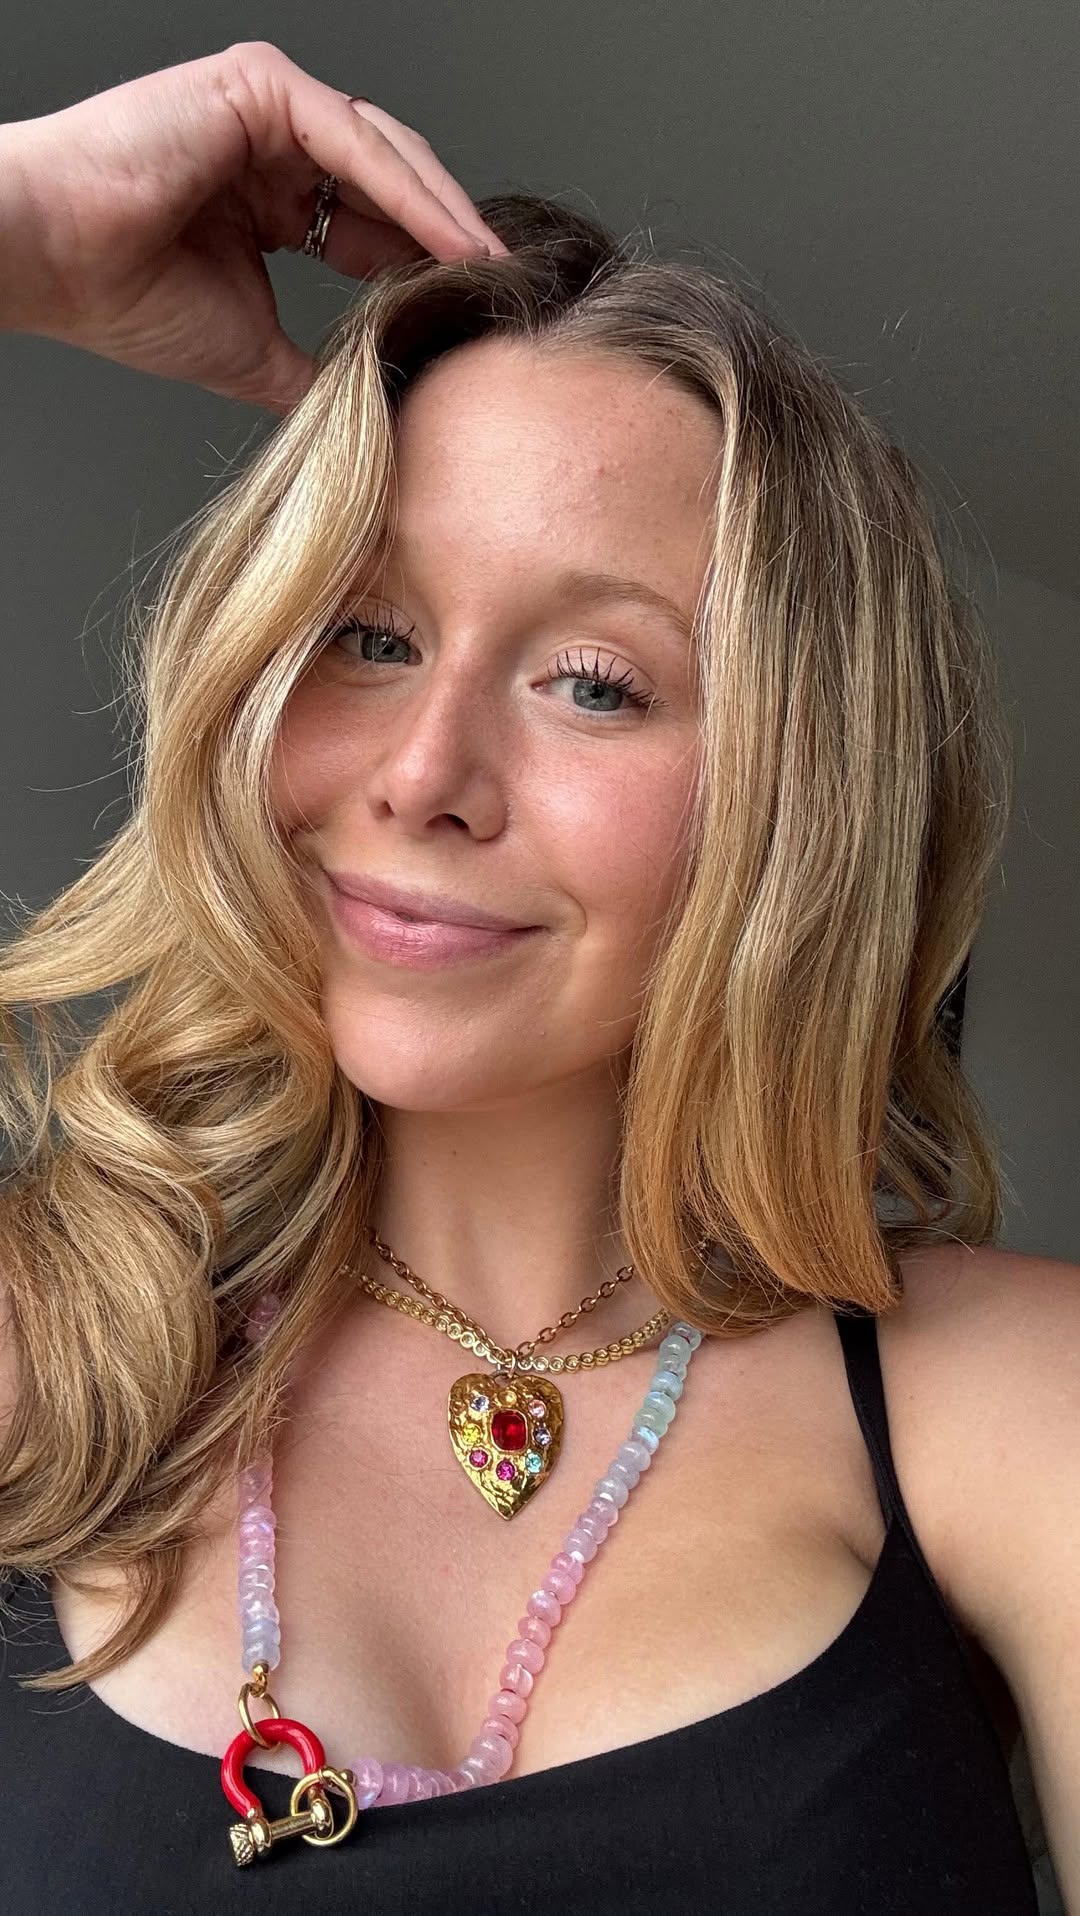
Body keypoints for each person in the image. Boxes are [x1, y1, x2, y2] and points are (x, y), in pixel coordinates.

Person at [0, 40, 1074, 1915]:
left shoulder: (1015, 1409)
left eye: (595, 682)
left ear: (797, 798)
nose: (423, 775)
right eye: (367, 635)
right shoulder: (43, 1336)